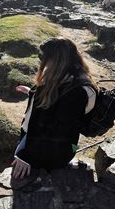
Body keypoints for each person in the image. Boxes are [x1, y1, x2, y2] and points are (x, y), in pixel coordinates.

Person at [12, 37, 97, 179]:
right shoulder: (72, 77)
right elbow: (56, 108)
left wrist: (27, 156)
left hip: (51, 153)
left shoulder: (76, 92)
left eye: (43, 57)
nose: (41, 61)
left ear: (56, 59)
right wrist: (32, 93)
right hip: (55, 145)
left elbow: (57, 132)